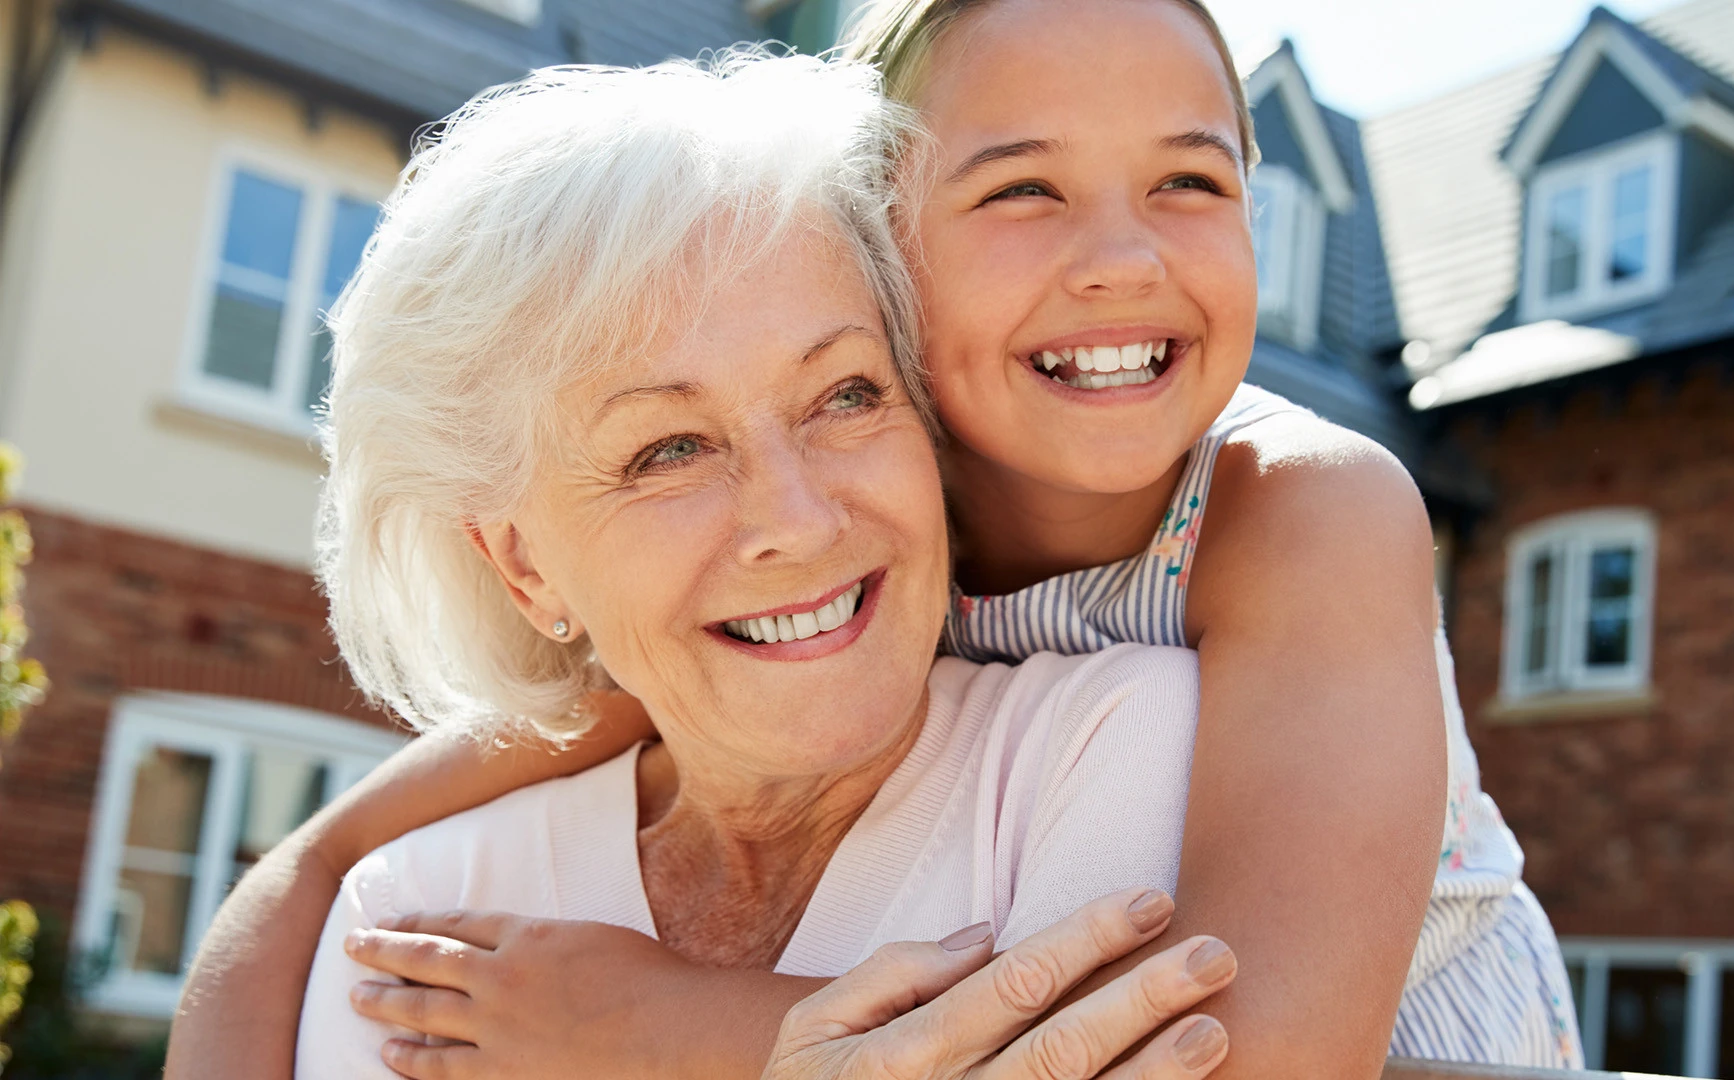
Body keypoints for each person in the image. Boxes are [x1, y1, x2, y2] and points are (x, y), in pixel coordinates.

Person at [172, 0, 1579, 1076]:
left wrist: (674, 1030)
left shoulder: (1305, 508)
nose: (1122, 259)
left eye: (1193, 184)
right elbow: (317, 862)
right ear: (886, 251)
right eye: (1023, 189)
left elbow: (1243, 1051)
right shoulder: (872, 530)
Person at [290, 53, 1238, 1079]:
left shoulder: (1115, 741)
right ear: (526, 568)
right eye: (669, 451)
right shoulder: (412, 928)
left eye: (845, 396)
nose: (798, 519)